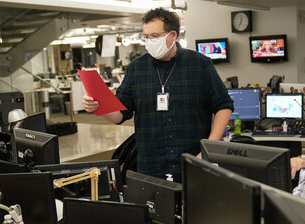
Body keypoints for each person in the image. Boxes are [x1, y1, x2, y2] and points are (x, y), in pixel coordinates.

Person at [82, 8, 233, 182]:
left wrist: (208, 150)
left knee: (196, 209)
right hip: (150, 166)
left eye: (155, 36)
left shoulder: (200, 64)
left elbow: (223, 106)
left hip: (193, 161)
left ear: (173, 35)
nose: (149, 41)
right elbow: (119, 115)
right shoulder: (136, 69)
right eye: (146, 36)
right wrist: (99, 105)